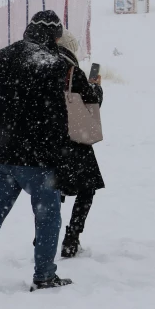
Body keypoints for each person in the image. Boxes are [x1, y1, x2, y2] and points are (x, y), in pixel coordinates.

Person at [0, 10, 74, 300]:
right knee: (47, 217)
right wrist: (60, 155)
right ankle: (44, 275)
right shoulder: (55, 64)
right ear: (54, 36)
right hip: (37, 159)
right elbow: (59, 116)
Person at [55, 31, 105, 258]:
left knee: (52, 190)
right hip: (75, 140)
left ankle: (44, 236)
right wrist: (96, 88)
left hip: (46, 138)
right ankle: (72, 238)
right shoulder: (72, 71)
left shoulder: (41, 65)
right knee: (87, 188)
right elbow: (91, 103)